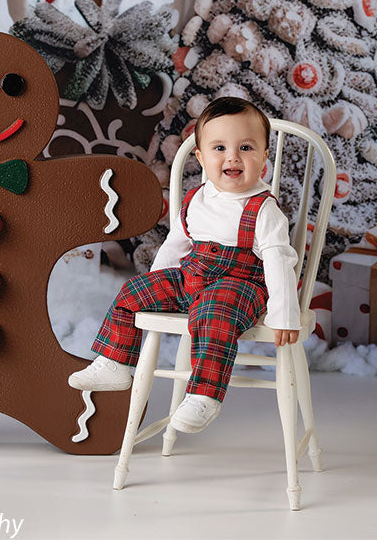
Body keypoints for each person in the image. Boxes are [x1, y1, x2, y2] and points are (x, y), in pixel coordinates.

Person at [68, 97, 301, 433]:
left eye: (246, 147)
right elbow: (175, 246)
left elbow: (279, 262)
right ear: (201, 157)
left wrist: (284, 313)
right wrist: (157, 284)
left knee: (212, 313)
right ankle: (114, 362)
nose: (233, 157)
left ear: (265, 156)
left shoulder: (263, 210)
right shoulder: (196, 200)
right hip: (192, 277)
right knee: (133, 289)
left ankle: (205, 395)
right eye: (219, 147)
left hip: (242, 284)